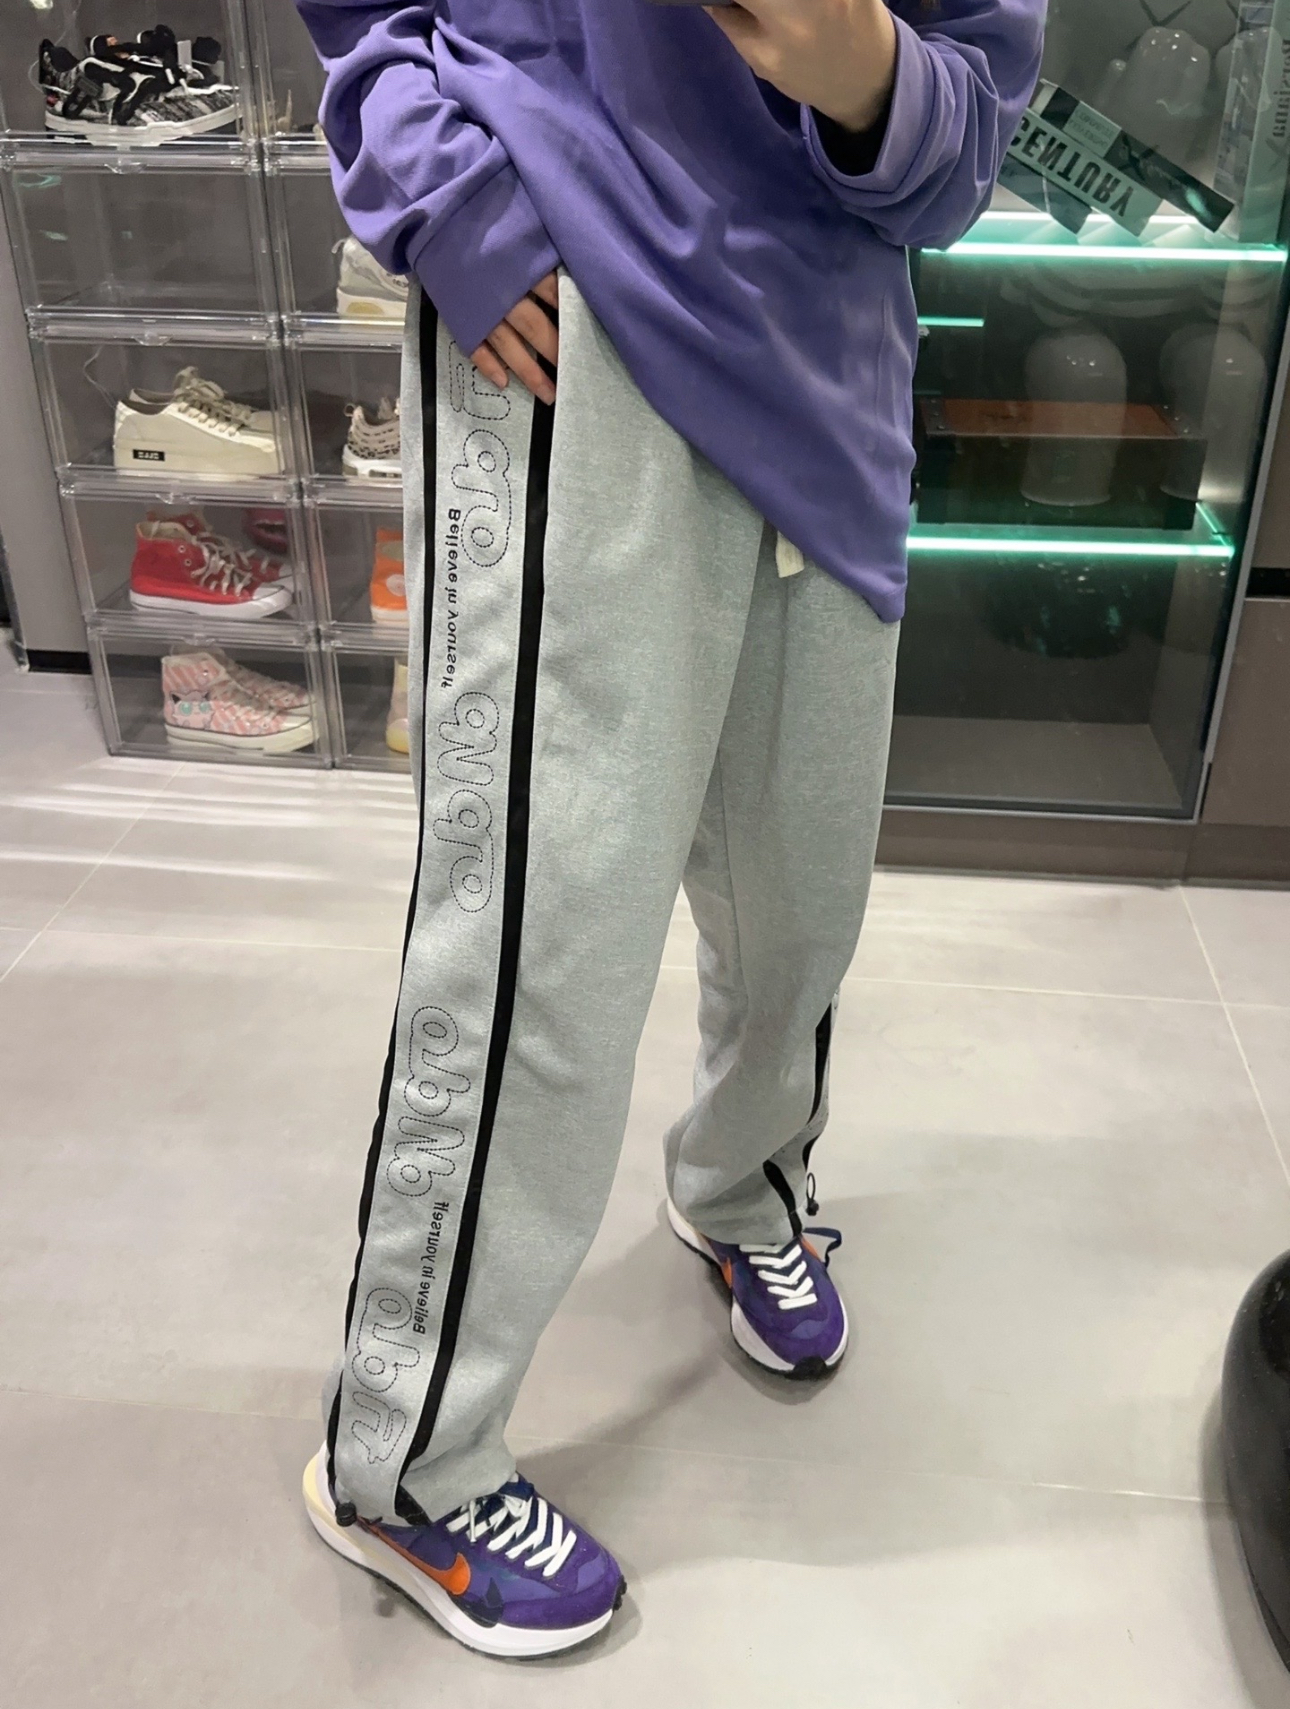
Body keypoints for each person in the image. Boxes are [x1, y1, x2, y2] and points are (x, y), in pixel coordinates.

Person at [294, 0, 1045, 1659]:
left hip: (835, 349)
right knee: (547, 938)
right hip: (577, 317)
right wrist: (446, 193)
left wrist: (871, 78)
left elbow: (980, 84)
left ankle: (740, 1182)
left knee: (800, 895)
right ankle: (407, 1455)